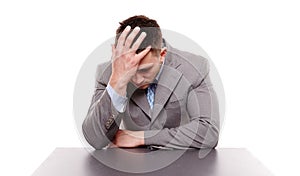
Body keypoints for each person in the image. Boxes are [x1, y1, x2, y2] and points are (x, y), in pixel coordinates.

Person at [82, 15, 220, 149]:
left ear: (162, 55)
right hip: (132, 166)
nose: (137, 80)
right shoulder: (107, 74)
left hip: (183, 164)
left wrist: (142, 138)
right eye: (130, 72)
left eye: (144, 70)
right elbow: (96, 140)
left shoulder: (194, 67)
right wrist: (118, 81)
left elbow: (208, 132)